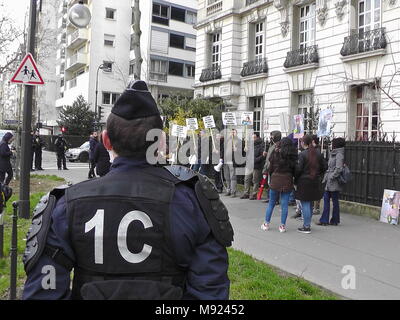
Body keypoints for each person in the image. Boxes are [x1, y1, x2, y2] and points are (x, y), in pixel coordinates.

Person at [22, 80, 233, 300]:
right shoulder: (193, 202)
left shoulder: (67, 205)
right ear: (161, 143)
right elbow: (211, 292)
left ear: (106, 141)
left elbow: (43, 292)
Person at [261, 137, 298, 233]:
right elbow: (295, 170)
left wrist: (271, 175)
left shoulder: (275, 153)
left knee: (271, 203)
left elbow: (271, 166)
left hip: (275, 179)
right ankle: (282, 226)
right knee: (284, 204)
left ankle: (266, 223)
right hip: (287, 179)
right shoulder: (292, 155)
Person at [294, 135, 327, 234]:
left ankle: (306, 226)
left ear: (304, 143)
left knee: (305, 204)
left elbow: (298, 169)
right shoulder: (318, 153)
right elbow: (324, 166)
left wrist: (295, 179)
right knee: (310, 203)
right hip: (315, 180)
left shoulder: (302, 155)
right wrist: (319, 175)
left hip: (304, 181)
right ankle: (307, 223)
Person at [317, 137, 346, 226]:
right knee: (327, 200)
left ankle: (334, 220)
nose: (331, 145)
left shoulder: (339, 155)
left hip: (334, 181)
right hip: (330, 180)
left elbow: (338, 168)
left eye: (332, 143)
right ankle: (325, 219)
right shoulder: (334, 153)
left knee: (334, 201)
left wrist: (331, 177)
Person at [241, 133, 265, 200]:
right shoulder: (250, 145)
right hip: (249, 165)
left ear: (257, 138)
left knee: (255, 180)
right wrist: (246, 151)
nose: (252, 139)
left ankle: (254, 194)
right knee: (246, 179)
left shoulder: (261, 145)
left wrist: (255, 160)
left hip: (256, 165)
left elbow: (262, 156)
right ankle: (246, 193)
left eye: (253, 138)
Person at [262, 130, 282, 203]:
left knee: (274, 183)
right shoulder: (271, 145)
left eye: (272, 135)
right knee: (269, 183)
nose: (271, 137)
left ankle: (275, 199)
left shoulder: (278, 145)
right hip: (269, 166)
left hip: (274, 167)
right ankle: (270, 197)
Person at [224, 128, 241, 198]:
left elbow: (242, 151)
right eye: (231, 132)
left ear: (236, 133)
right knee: (227, 176)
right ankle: (228, 190)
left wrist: (237, 150)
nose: (232, 134)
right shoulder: (228, 140)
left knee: (233, 177)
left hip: (232, 161)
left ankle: (233, 192)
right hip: (226, 160)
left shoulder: (239, 141)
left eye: (234, 132)